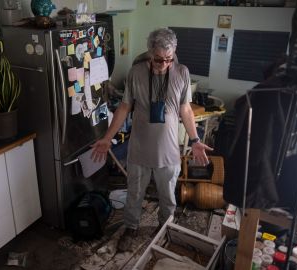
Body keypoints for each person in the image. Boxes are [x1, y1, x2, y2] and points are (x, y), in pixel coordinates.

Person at [91, 28, 212, 251]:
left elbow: (185, 109)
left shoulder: (182, 72)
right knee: (135, 193)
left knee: (167, 195)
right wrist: (108, 137)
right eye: (158, 59)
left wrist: (195, 140)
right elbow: (125, 107)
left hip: (168, 151)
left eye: (169, 59)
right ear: (149, 52)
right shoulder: (135, 72)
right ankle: (131, 227)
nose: (164, 64)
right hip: (139, 149)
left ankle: (165, 226)